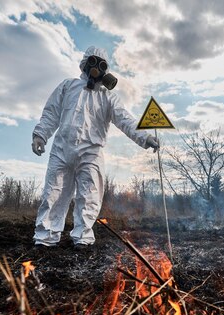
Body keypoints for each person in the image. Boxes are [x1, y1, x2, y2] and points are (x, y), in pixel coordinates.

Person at [31, 46, 159, 248]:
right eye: (93, 62)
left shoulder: (108, 97)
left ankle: (82, 237)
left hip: (91, 152)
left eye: (101, 65)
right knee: (53, 193)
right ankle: (45, 236)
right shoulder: (68, 86)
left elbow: (125, 119)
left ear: (106, 70)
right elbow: (51, 112)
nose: (96, 68)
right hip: (61, 149)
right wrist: (40, 135)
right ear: (85, 63)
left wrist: (145, 137)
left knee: (89, 195)